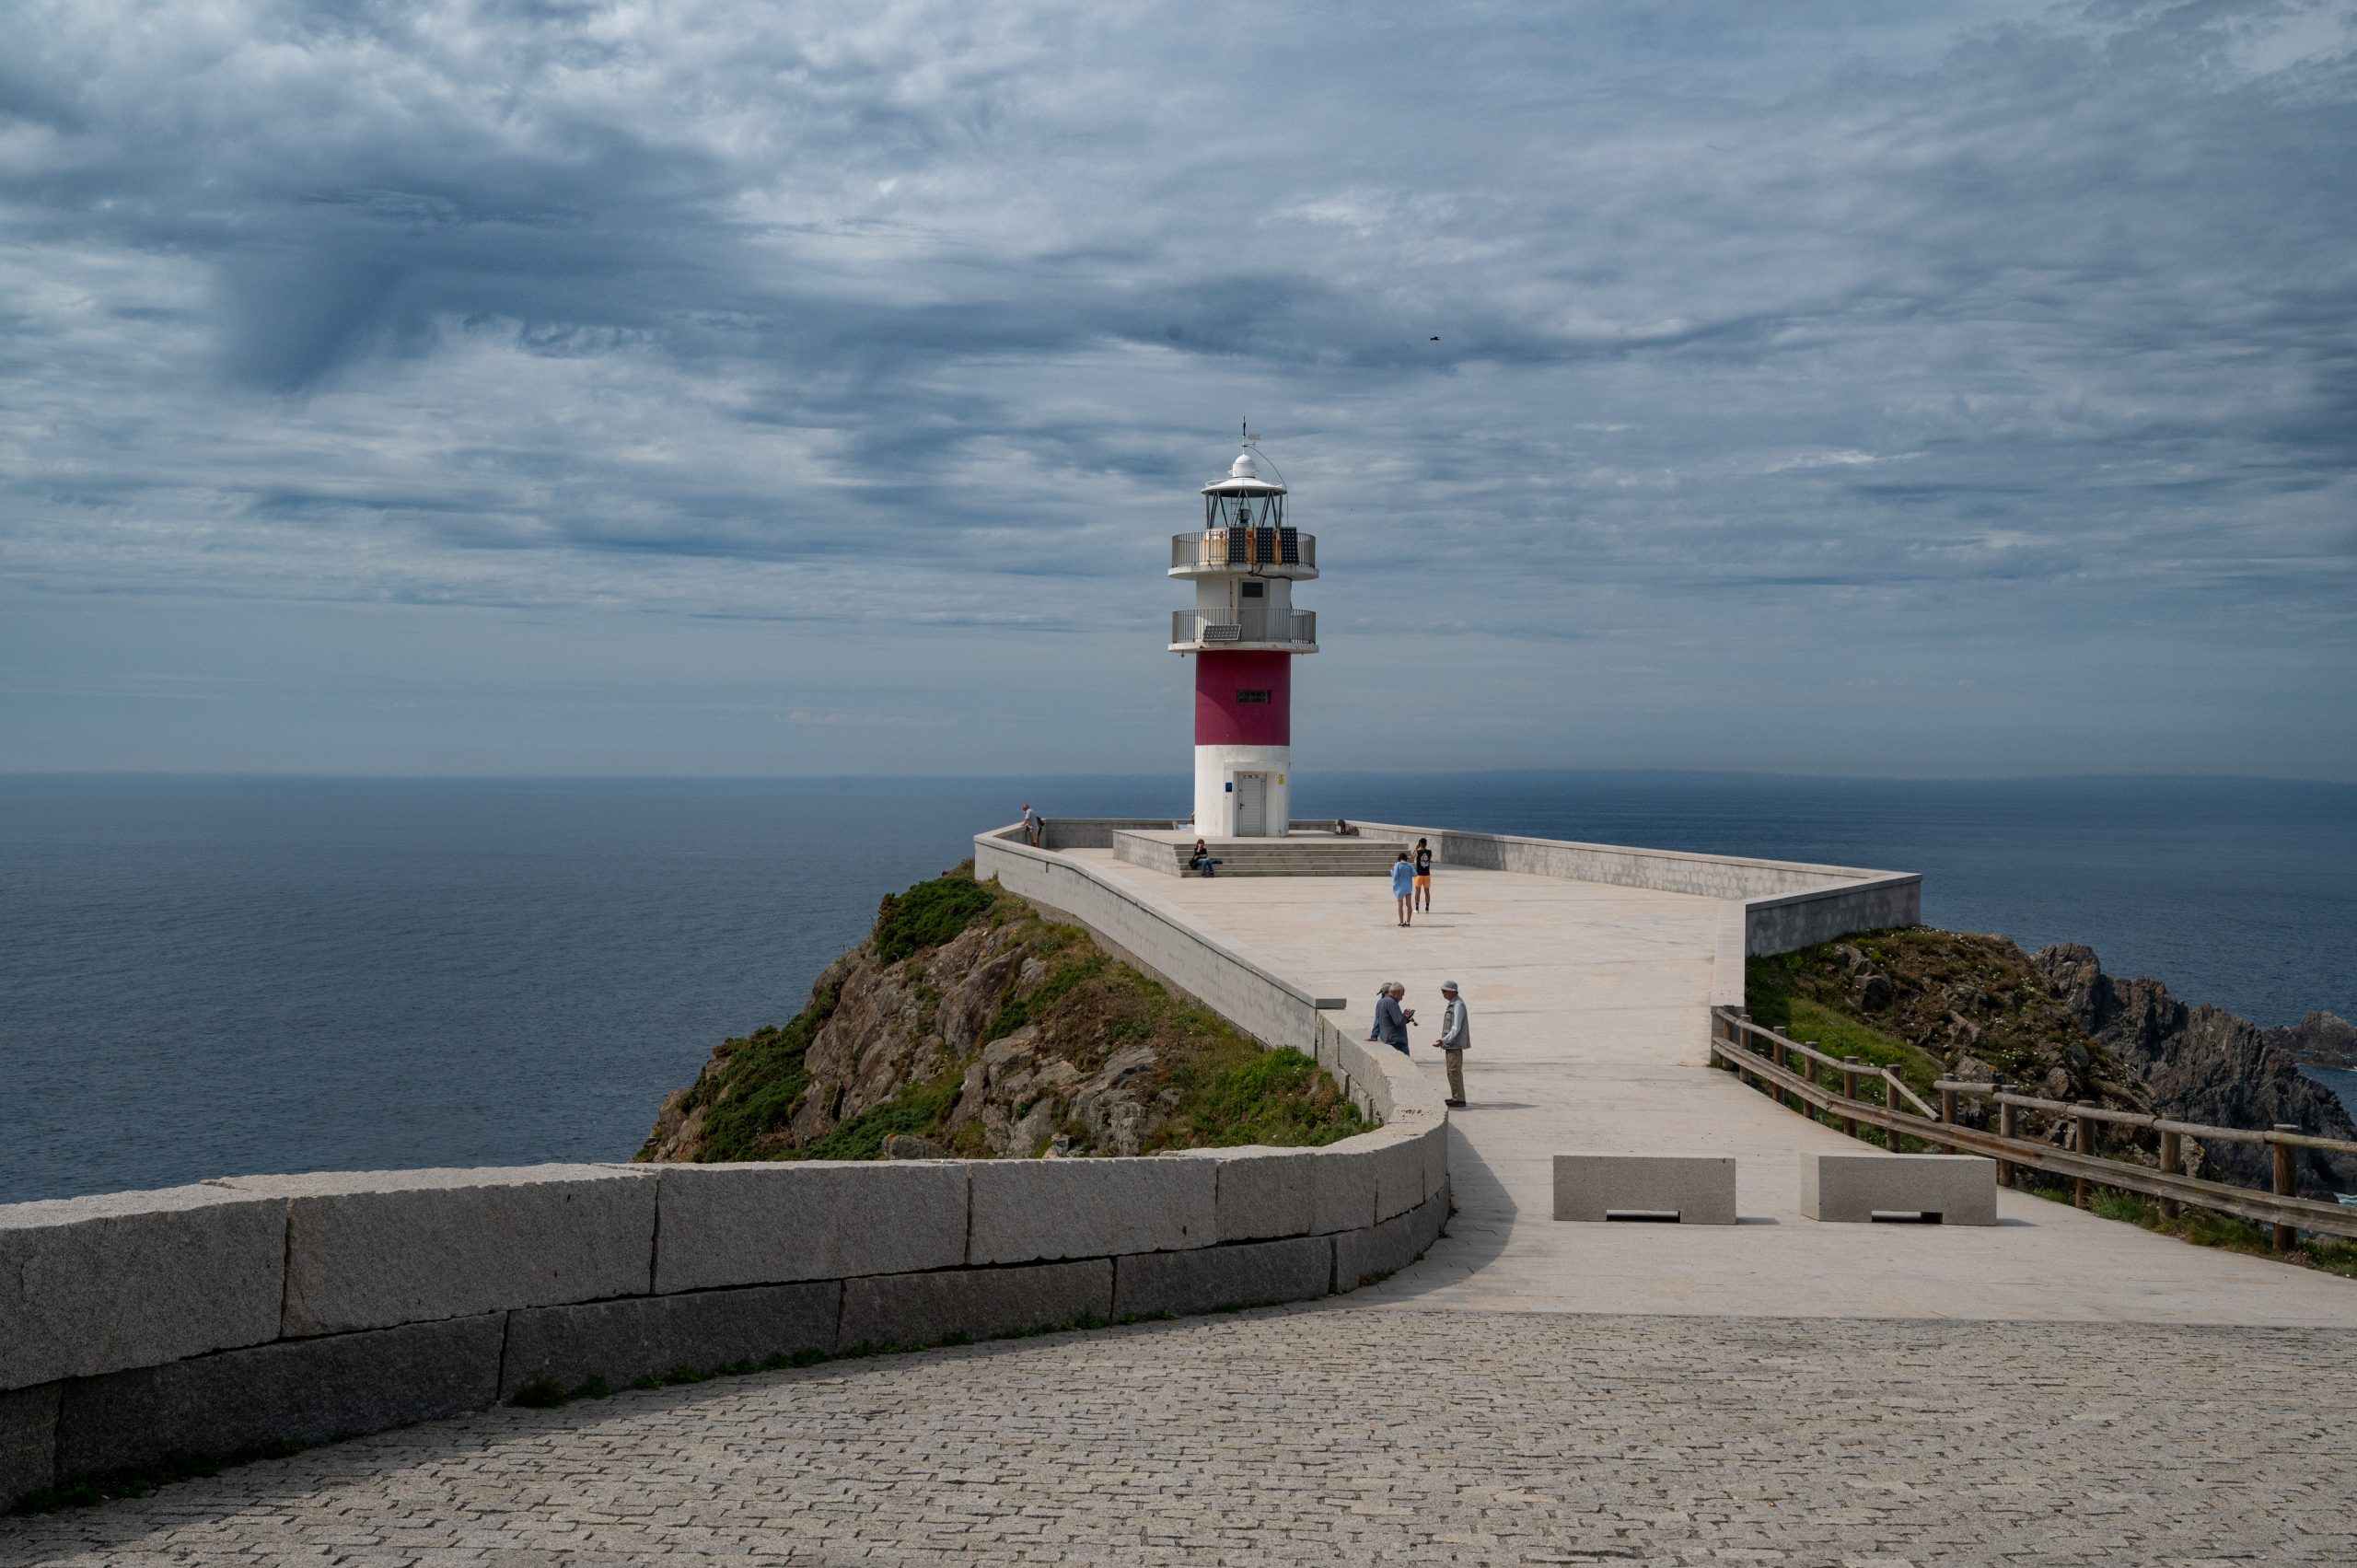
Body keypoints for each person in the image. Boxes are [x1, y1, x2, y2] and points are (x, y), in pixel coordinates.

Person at [1433, 980, 1470, 1107]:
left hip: (1454, 1044)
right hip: (1450, 1044)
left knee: (1454, 1071)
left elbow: (1456, 1027)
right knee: (1451, 1071)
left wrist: (1444, 1040)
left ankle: (1459, 1099)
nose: (1442, 994)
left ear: (1452, 992)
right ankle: (1456, 1097)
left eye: (1444, 991)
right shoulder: (1453, 1004)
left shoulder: (1458, 1005)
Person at [1366, 981, 1414, 1055]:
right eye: (1401, 995)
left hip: (1388, 1039)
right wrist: (1406, 1016)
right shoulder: (1391, 1002)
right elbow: (1399, 1022)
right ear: (1397, 992)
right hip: (1396, 1042)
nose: (1401, 998)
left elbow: (1379, 1019)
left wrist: (1374, 1035)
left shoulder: (1382, 1001)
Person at [1390, 851, 1415, 926]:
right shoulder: (1409, 865)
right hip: (1408, 888)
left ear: (1399, 858)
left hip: (1399, 888)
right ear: (1406, 858)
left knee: (1400, 905)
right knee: (1409, 905)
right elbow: (1415, 873)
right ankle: (1408, 922)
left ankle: (1401, 922)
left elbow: (1395, 876)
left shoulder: (1397, 865)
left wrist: (1391, 871)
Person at [1412, 837, 1434, 913]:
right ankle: (1427, 908)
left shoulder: (1418, 852)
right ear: (1426, 844)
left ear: (1420, 844)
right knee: (1427, 891)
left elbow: (1412, 856)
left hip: (1419, 874)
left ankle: (1417, 908)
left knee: (1418, 891)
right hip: (1427, 874)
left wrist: (1416, 848)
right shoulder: (1429, 852)